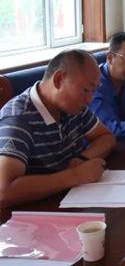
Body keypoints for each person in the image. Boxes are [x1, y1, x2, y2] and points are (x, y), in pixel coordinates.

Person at [0, 50, 117, 209]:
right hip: (32, 212)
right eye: (86, 90)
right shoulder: (18, 118)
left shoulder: (73, 107)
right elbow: (4, 191)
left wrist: (82, 159)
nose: (89, 99)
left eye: (93, 91)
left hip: (67, 199)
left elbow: (106, 137)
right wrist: (75, 175)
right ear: (58, 80)